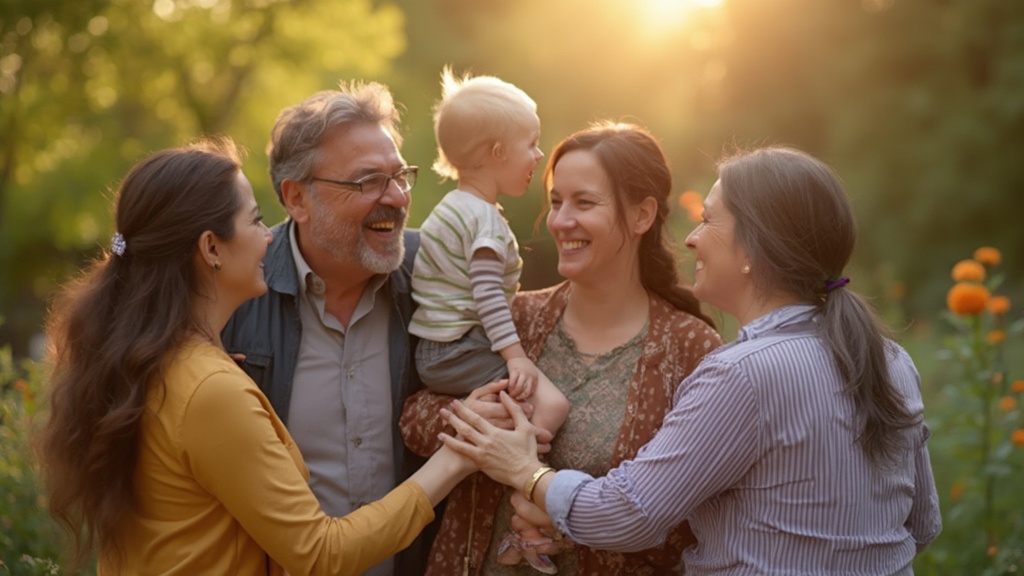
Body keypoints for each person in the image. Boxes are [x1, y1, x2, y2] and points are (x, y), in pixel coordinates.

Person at [440, 146, 944, 575]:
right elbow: (921, 525)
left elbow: (629, 514)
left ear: (753, 246)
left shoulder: (741, 374)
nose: (690, 238)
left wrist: (525, 471)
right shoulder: (892, 359)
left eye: (707, 220)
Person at [35, 138, 476, 575]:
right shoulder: (208, 389)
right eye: (256, 221)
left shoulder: (159, 360)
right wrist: (455, 458)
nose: (269, 237)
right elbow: (321, 553)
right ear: (211, 249)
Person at [401, 122, 722, 575]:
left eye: (583, 202)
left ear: (642, 215)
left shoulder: (690, 348)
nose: (559, 220)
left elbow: (686, 518)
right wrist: (471, 419)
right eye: (555, 202)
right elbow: (412, 418)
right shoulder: (513, 321)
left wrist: (571, 524)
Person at [220, 81, 433, 575]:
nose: (397, 197)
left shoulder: (437, 274)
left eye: (401, 176)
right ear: (297, 198)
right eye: (368, 182)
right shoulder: (233, 292)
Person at [410, 67, 569, 443]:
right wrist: (515, 356)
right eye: (531, 144)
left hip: (438, 350)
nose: (540, 154)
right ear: (497, 152)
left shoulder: (452, 207)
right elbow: (488, 296)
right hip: (458, 350)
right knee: (551, 405)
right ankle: (525, 482)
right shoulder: (484, 222)